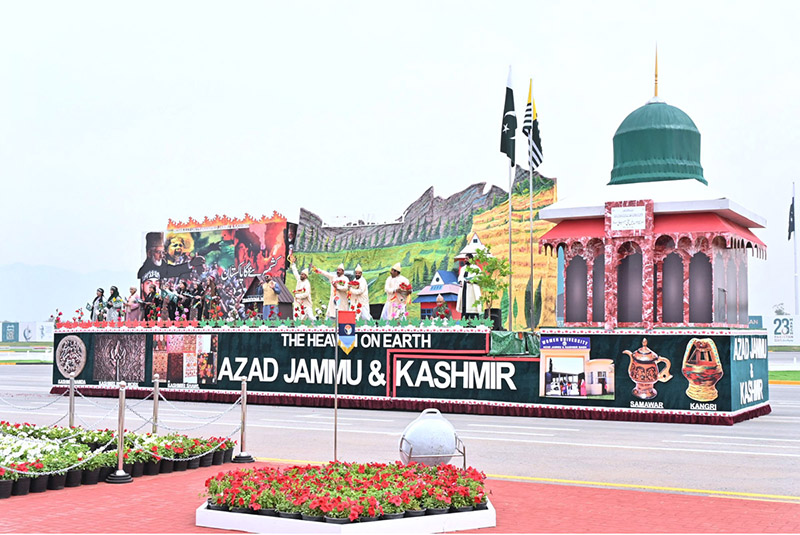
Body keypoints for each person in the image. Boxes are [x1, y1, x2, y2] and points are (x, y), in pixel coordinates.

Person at [288, 254, 315, 321]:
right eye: (301, 274)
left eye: (303, 274)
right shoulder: (299, 280)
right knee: (297, 318)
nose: (301, 275)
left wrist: (297, 296)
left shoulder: (307, 283)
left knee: (311, 317)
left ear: (306, 276)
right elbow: (295, 272)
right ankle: (297, 330)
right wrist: (293, 264)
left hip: (306, 304)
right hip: (298, 303)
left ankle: (319, 329)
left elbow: (306, 294)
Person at [457, 253, 482, 321]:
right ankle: (464, 324)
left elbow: (480, 278)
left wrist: (472, 281)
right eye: (465, 258)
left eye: (467, 258)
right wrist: (460, 282)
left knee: (472, 307)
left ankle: (474, 324)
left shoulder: (476, 268)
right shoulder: (463, 268)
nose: (465, 260)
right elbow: (460, 277)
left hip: (472, 290)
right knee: (464, 306)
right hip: (464, 289)